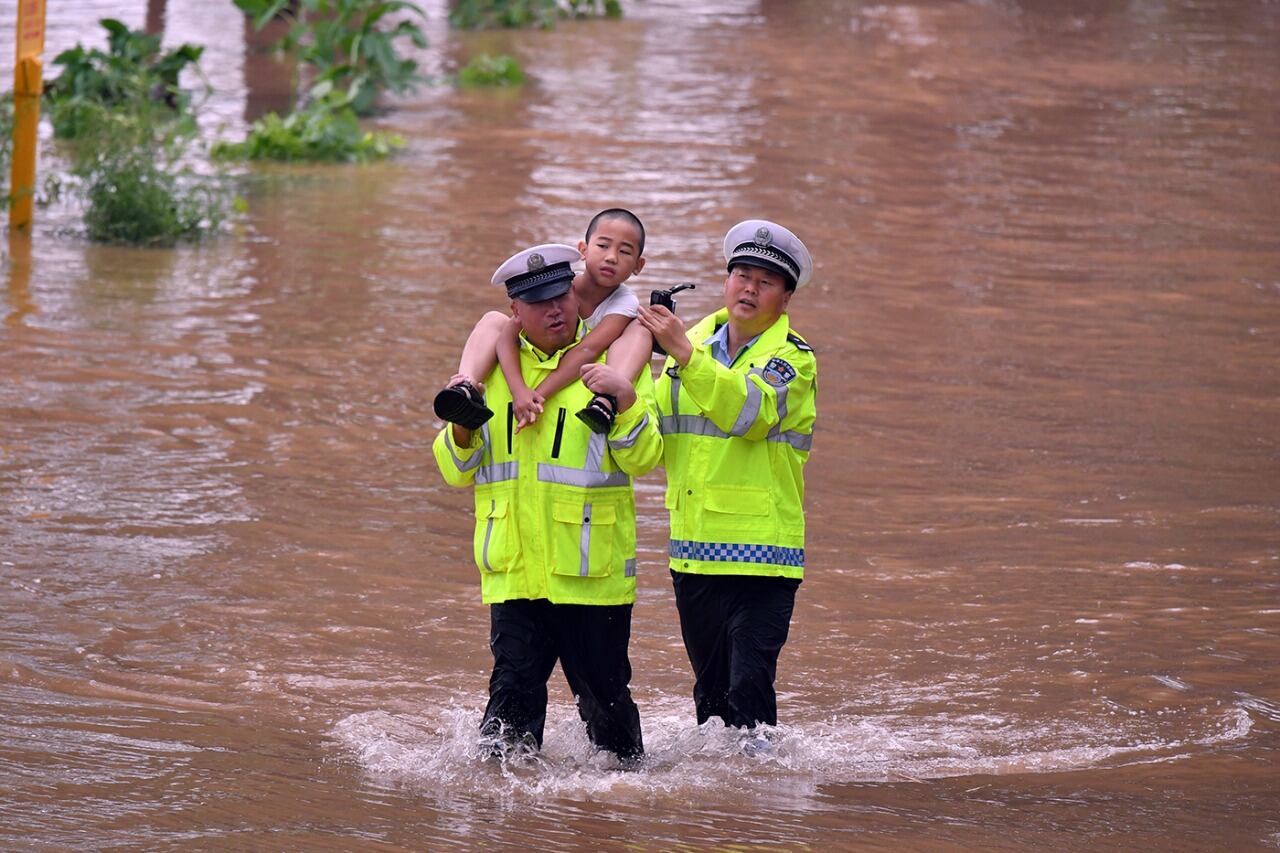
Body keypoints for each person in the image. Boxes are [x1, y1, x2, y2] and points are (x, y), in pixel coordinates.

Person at [433, 242, 664, 766]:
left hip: (593, 577)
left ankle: (620, 806)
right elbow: (454, 471)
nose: (554, 309)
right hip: (515, 576)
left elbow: (646, 458)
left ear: (576, 296)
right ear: (515, 310)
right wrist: (463, 431)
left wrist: (626, 403)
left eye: (561, 296)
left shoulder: (614, 362)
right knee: (506, 729)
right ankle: (503, 812)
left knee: (612, 725)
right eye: (538, 302)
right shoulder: (486, 373)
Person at [636, 219, 817, 745]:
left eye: (766, 281)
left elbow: (750, 413)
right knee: (711, 706)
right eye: (742, 275)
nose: (749, 289)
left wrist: (683, 355)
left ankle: (759, 793)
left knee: (749, 698)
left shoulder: (793, 360)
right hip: (693, 553)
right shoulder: (685, 344)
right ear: (726, 281)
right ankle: (718, 798)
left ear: (786, 298)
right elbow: (650, 438)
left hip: (763, 557)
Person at [433, 208, 653, 436]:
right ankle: (464, 387)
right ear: (583, 250)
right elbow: (507, 335)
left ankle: (606, 399)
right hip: (551, 352)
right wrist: (518, 390)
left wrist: (537, 395)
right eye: (603, 246)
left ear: (638, 265)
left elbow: (588, 349)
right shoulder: (563, 285)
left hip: (587, 362)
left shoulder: (624, 303)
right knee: (493, 319)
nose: (611, 257)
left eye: (624, 251)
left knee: (641, 327)